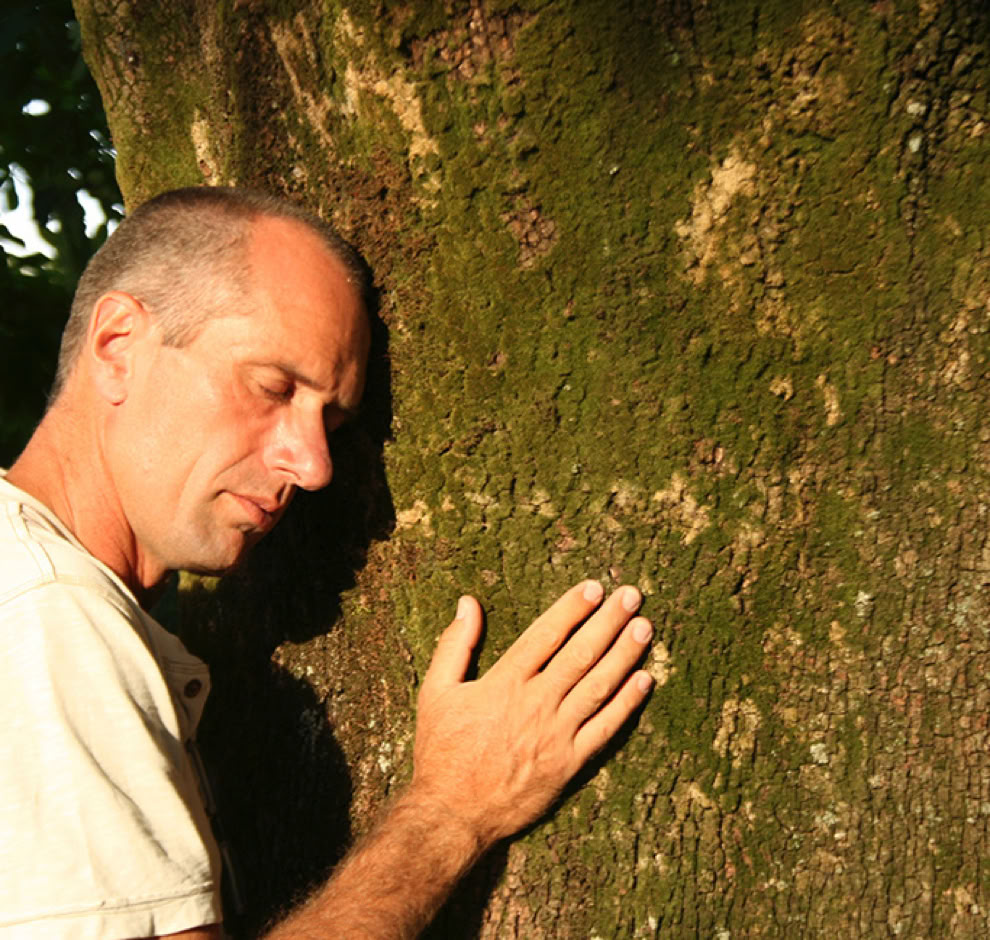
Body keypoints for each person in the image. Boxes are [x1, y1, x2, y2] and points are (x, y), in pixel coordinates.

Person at [0, 186, 655, 939]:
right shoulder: (46, 620)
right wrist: (451, 810)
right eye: (273, 387)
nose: (312, 466)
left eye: (332, 422)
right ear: (118, 348)